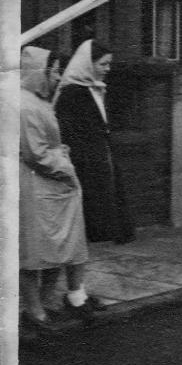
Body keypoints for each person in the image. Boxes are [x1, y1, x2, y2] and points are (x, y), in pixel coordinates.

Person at [20, 47, 104, 329]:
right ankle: (34, 310)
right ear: (38, 72)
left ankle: (43, 304)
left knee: (55, 250)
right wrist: (66, 168)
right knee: (33, 254)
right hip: (36, 185)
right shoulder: (26, 105)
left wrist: (61, 156)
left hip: (52, 186)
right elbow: (35, 153)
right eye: (54, 70)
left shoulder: (38, 101)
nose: (58, 77)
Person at [54, 40, 134, 244]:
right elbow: (68, 131)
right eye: (103, 64)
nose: (107, 69)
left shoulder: (96, 88)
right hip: (84, 158)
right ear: (88, 64)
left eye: (109, 64)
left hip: (100, 153)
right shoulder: (72, 93)